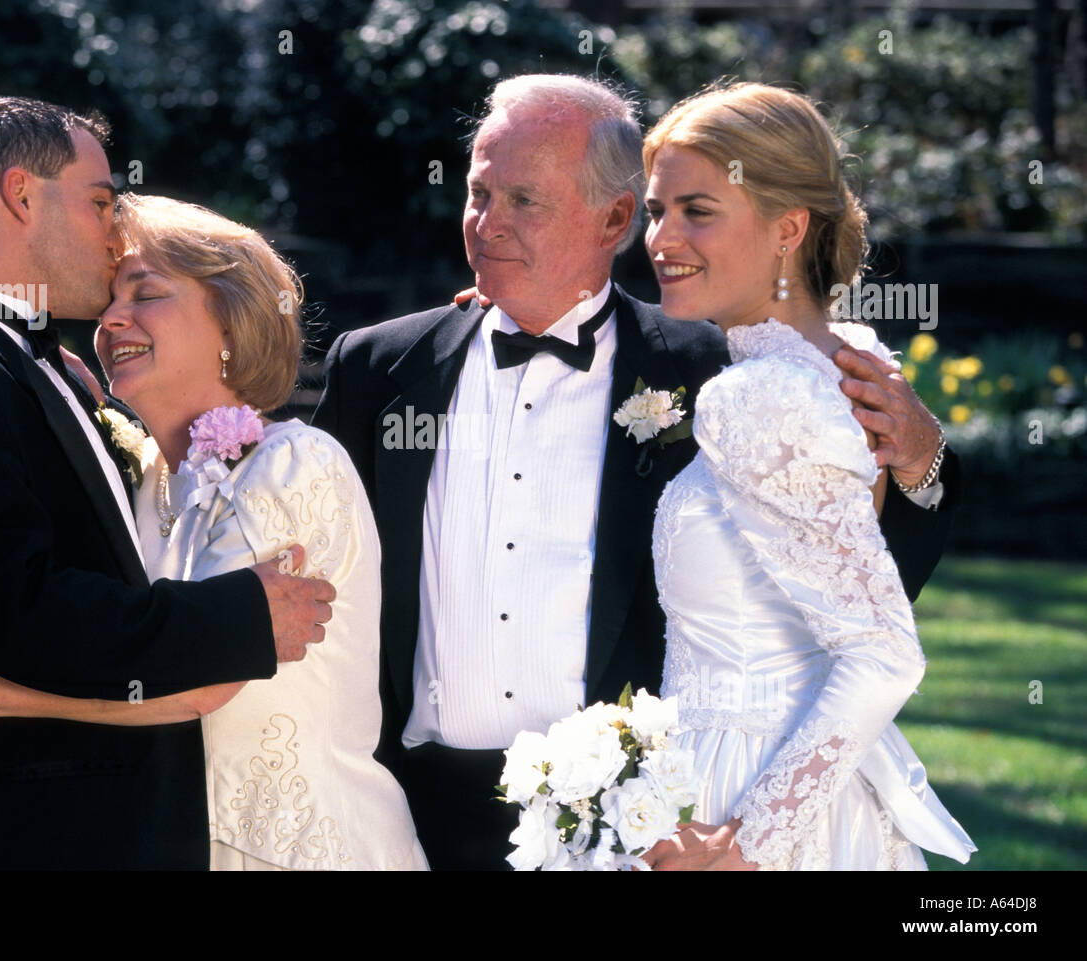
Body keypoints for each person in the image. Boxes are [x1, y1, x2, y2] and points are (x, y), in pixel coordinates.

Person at [311, 74, 962, 870]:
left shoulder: (713, 366)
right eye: (479, 193)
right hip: (416, 814)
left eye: (524, 200)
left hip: (639, 818)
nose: (485, 223)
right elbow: (317, 572)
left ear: (609, 216)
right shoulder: (380, 367)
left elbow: (867, 597)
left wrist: (924, 461)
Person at [0, 96, 334, 870]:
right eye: (101, 202)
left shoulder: (43, 367)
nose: (113, 231)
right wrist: (239, 613)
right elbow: (27, 613)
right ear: (21, 194)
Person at [638, 82, 975, 869]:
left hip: (743, 799)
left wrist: (747, 842)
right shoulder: (844, 361)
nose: (662, 237)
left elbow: (884, 652)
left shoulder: (757, 396)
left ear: (789, 226)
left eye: (698, 210)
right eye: (656, 210)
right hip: (800, 793)